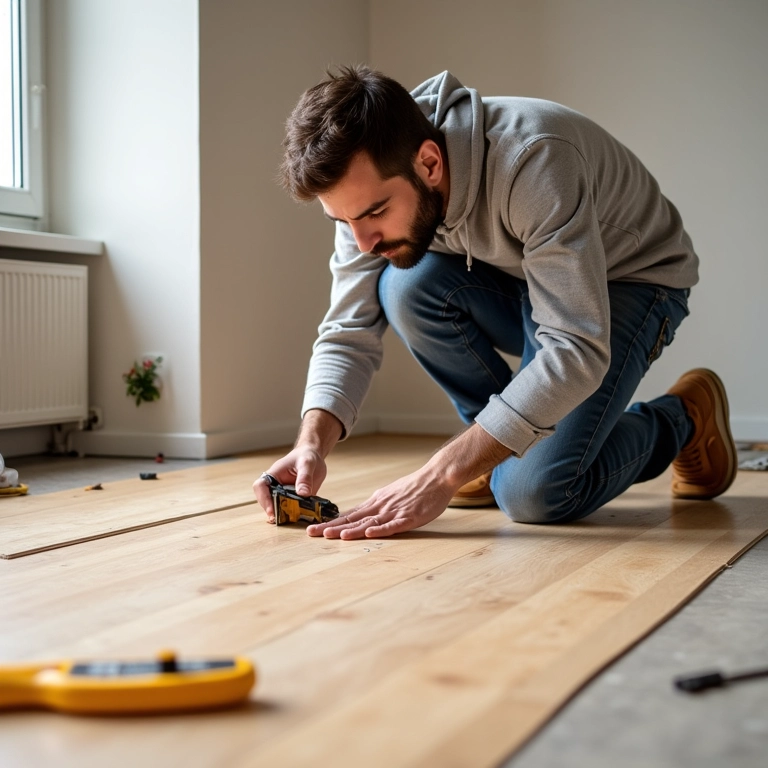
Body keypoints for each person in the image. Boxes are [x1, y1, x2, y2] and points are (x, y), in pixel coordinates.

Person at [252, 65, 737, 540]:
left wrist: (441, 473)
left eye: (376, 212)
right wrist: (311, 443)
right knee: (402, 286)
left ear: (429, 163)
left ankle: (683, 418)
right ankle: (492, 451)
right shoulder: (366, 204)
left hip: (631, 280)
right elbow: (349, 328)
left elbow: (576, 347)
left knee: (536, 495)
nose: (362, 241)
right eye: (343, 221)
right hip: (530, 282)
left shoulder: (534, 158)